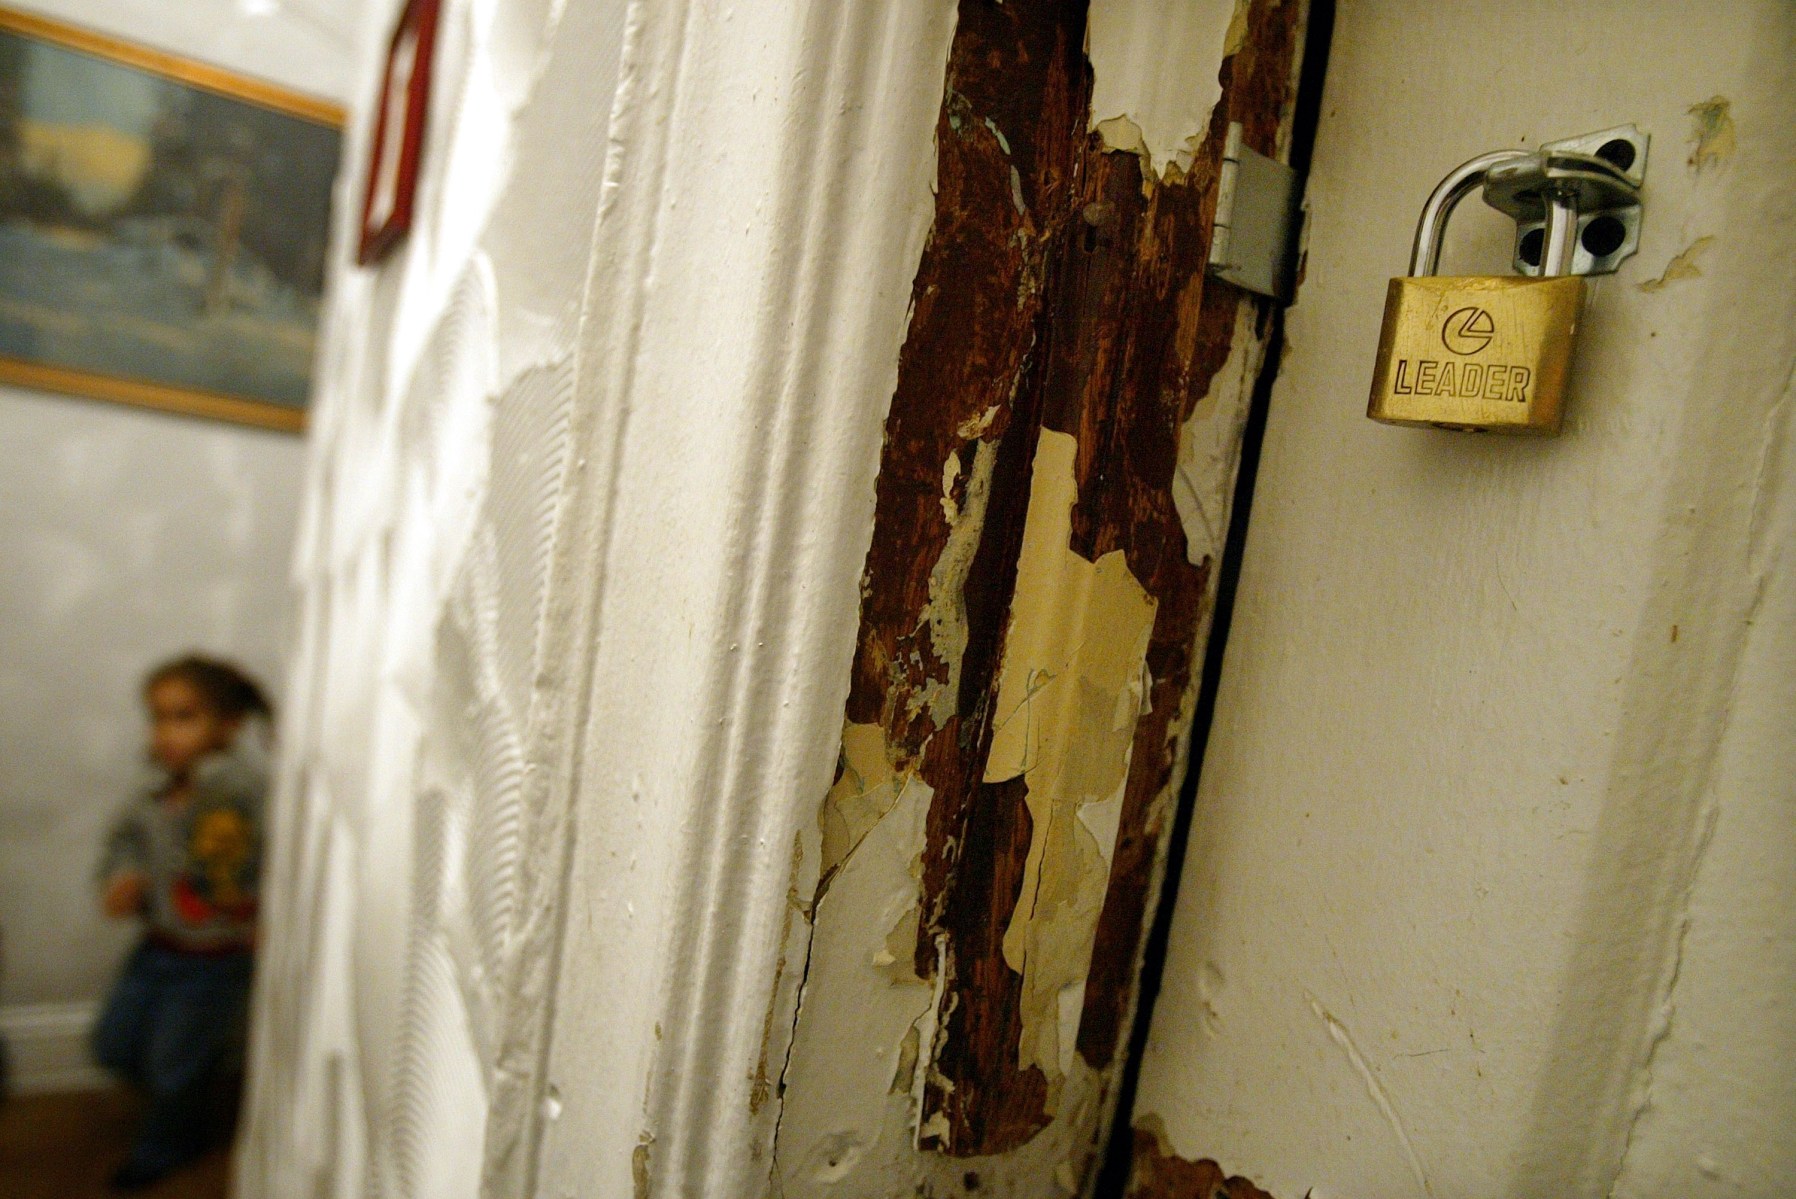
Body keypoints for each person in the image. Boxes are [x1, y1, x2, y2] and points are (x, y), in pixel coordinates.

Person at [91, 655, 272, 1189]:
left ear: (228, 725)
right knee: (113, 1045)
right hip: (158, 947)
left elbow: (260, 859)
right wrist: (122, 876)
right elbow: (123, 840)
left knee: (174, 1065)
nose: (165, 733)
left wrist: (262, 913)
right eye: (157, 717)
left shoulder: (238, 791)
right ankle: (201, 1081)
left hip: (214, 960)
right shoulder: (156, 790)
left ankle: (168, 1143)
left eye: (184, 717)